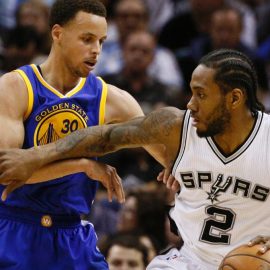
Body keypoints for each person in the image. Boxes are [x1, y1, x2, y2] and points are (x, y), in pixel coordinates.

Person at [2, 48, 270, 269]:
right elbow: (104, 136)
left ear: (234, 99)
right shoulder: (176, 127)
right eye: (191, 92)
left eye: (201, 94)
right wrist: (35, 156)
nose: (190, 104)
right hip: (188, 260)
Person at [0, 0, 180, 269]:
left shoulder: (112, 99)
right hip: (15, 229)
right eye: (87, 39)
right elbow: (9, 170)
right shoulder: (16, 86)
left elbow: (171, 157)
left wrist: (180, 174)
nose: (96, 50)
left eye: (101, 41)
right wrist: (85, 166)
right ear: (58, 34)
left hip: (72, 233)